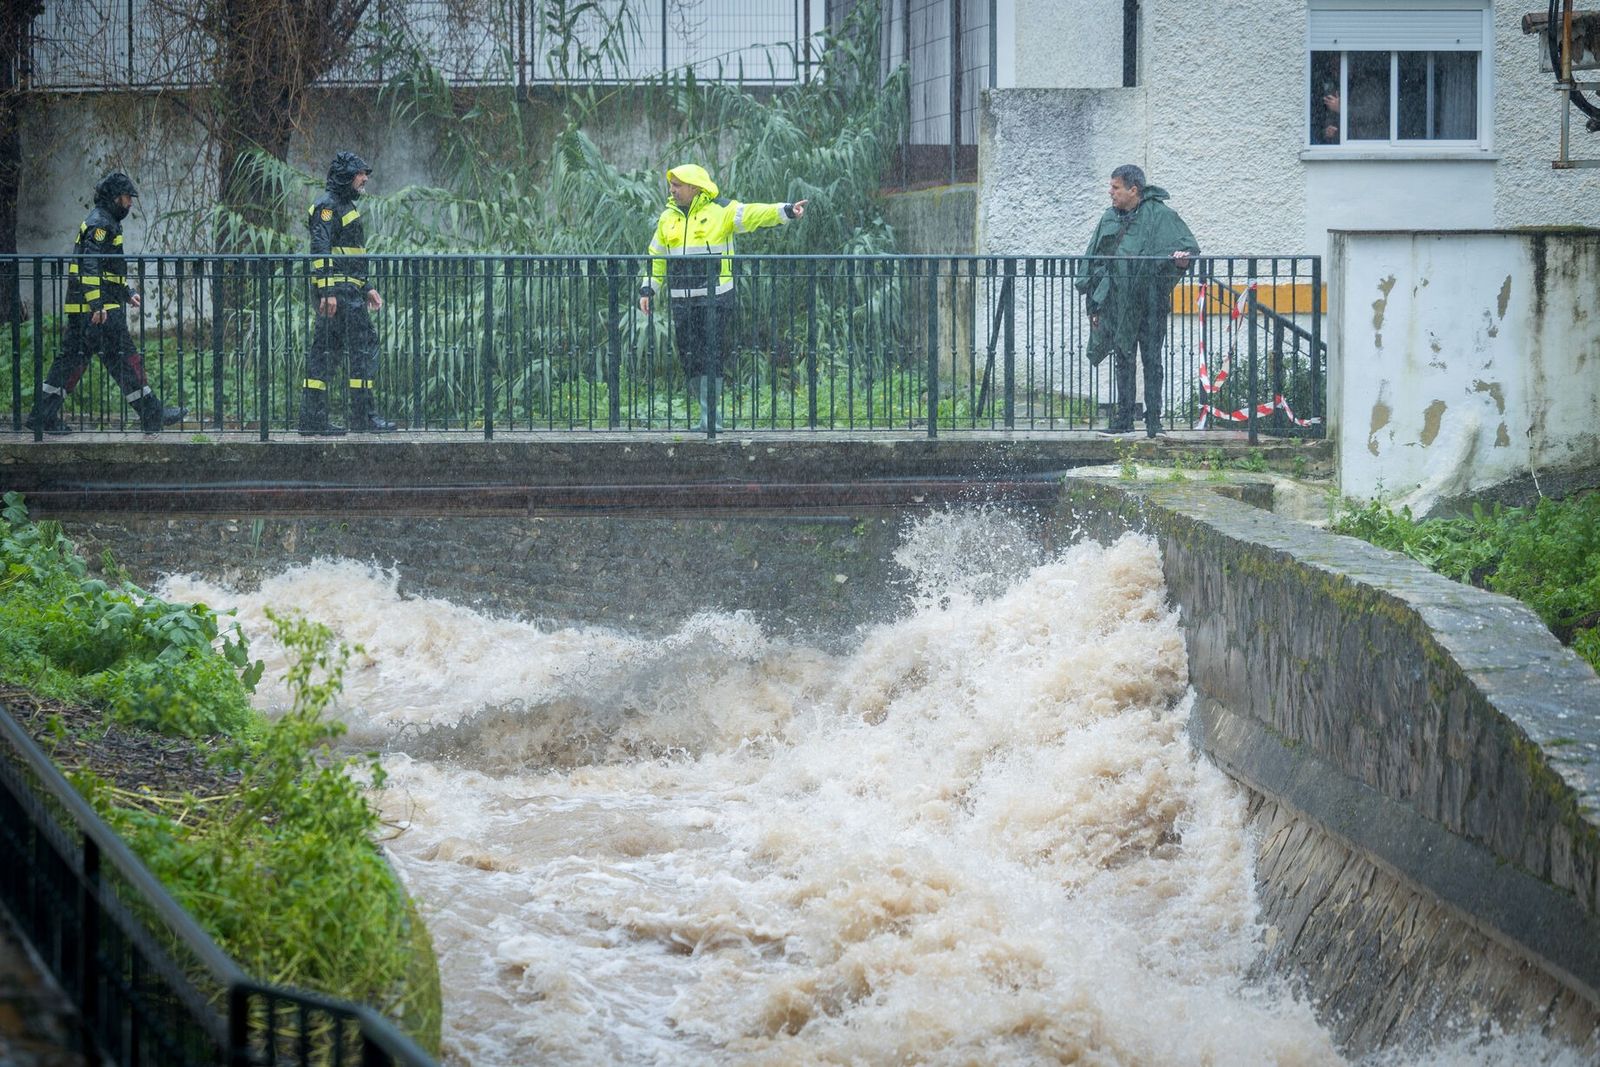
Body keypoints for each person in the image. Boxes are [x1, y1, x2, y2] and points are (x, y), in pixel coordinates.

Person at [638, 164, 807, 432]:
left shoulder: (721, 210)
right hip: (681, 299)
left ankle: (710, 420)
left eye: (678, 185)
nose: (672, 190)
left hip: (715, 298)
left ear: (694, 188)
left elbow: (753, 214)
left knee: (711, 356)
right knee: (689, 357)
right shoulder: (666, 218)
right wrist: (648, 288)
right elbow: (656, 256)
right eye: (672, 185)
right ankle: (707, 415)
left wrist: (785, 211)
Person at [25, 171, 184, 435]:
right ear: (114, 198)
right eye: (126, 198)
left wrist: (126, 291)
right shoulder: (101, 223)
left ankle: (43, 416)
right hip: (98, 312)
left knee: (74, 362)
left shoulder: (103, 220)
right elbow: (91, 265)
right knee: (124, 360)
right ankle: (152, 414)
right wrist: (97, 305)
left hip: (90, 309)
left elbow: (106, 269)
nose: (129, 203)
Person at [1076, 164, 1199, 438]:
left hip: (1151, 302)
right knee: (1122, 357)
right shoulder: (1109, 218)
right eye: (1111, 187)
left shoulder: (1160, 216)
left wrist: (1181, 261)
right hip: (1118, 303)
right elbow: (1095, 261)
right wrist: (1094, 305)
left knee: (1152, 361)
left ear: (1134, 190)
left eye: (1115, 187)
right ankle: (1123, 420)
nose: (1111, 192)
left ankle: (1154, 422)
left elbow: (1186, 249)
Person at [299, 150, 393, 435]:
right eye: (360, 174)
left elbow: (352, 255)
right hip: (338, 294)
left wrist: (367, 287)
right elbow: (321, 248)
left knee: (337, 352)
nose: (364, 179)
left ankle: (320, 418)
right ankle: (355, 417)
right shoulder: (327, 206)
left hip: (348, 292)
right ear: (347, 176)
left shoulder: (342, 206)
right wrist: (327, 290)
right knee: (347, 351)